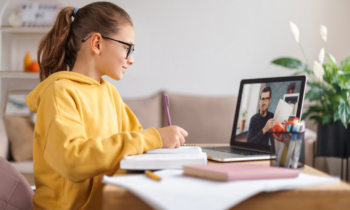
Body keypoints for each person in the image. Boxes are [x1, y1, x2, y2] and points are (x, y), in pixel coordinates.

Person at [25, 2, 188, 209]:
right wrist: (154, 137)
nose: (131, 59)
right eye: (127, 48)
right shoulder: (59, 93)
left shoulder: (109, 92)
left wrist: (161, 150)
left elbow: (136, 147)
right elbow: (73, 160)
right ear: (97, 43)